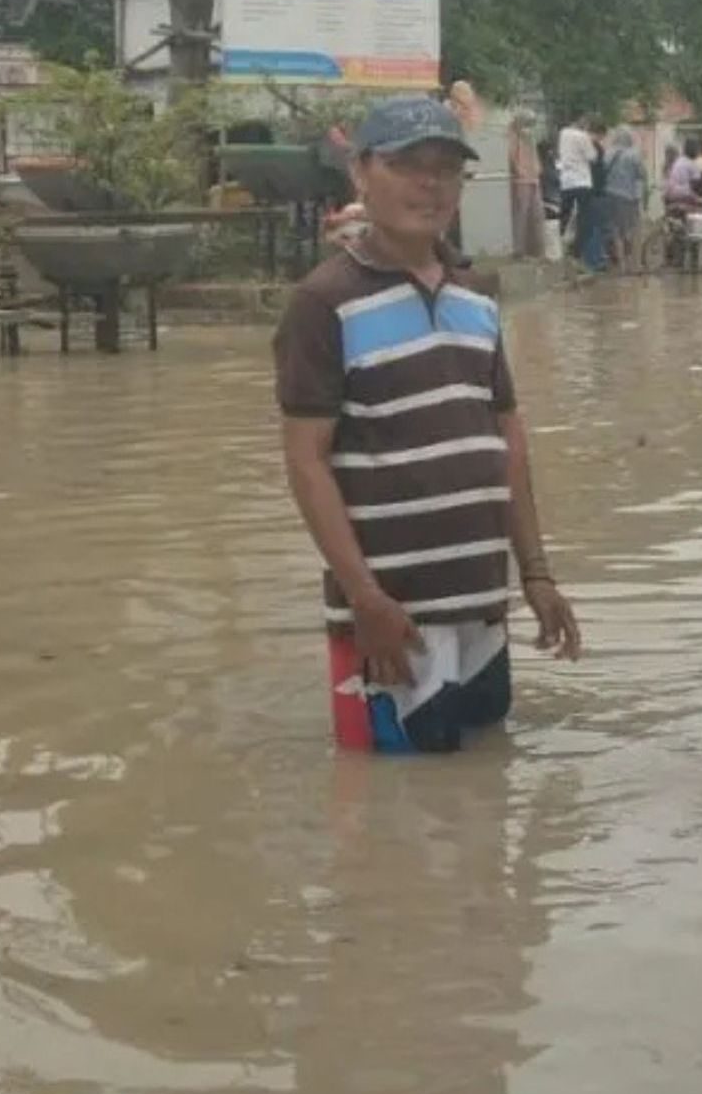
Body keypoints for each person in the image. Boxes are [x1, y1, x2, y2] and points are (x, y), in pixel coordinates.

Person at [275, 93, 582, 755]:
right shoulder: (323, 303)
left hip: (480, 606)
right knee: (393, 815)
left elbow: (506, 438)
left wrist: (535, 574)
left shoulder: (476, 298)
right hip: (390, 621)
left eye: (446, 168)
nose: (430, 184)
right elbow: (306, 461)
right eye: (408, 165)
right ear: (361, 173)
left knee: (477, 803)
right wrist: (364, 598)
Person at [555, 113, 600, 268]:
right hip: (582, 182)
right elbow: (593, 157)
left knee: (564, 215)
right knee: (585, 219)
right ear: (586, 124)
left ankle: (560, 245)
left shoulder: (563, 133)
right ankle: (576, 251)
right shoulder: (583, 137)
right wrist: (592, 142)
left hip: (566, 182)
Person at [600, 126, 647, 269]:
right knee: (631, 230)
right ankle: (635, 264)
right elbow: (642, 175)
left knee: (615, 231)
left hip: (608, 196)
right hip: (628, 197)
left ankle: (621, 264)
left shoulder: (607, 154)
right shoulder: (634, 155)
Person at [664, 137, 702, 214]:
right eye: (697, 149)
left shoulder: (680, 160)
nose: (698, 151)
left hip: (671, 195)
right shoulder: (690, 163)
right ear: (693, 149)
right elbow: (696, 185)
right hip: (682, 196)